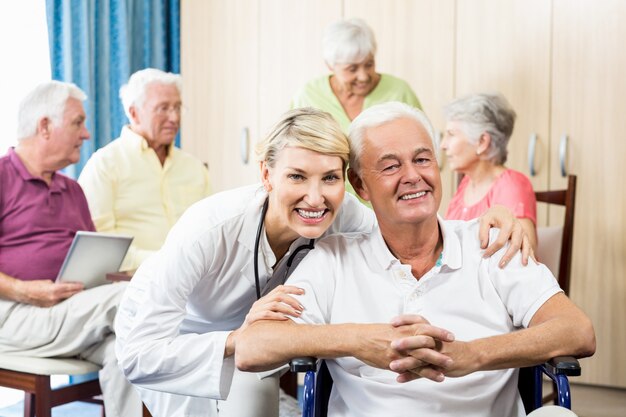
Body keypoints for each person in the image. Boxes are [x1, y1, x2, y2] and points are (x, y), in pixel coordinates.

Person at [114, 107, 527, 417]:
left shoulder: (346, 216)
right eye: (297, 176)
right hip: (181, 336)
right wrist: (239, 337)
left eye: (330, 178)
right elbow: (140, 352)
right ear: (267, 175)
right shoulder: (209, 228)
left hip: (264, 340)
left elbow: (413, 227)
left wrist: (488, 222)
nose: (316, 198)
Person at [235, 102, 595, 417]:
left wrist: (473, 354)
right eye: (390, 167)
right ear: (360, 186)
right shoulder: (333, 258)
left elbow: (577, 330)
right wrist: (357, 340)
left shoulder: (490, 243)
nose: (412, 176)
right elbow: (253, 347)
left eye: (422, 159)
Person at [0, 81, 142, 417]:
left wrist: (116, 275)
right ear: (45, 126)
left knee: (129, 353)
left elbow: (88, 260)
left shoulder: (72, 189)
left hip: (69, 312)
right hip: (13, 313)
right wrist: (23, 290)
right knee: (132, 299)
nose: (87, 134)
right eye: (78, 123)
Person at [78, 68, 211, 271]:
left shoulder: (194, 168)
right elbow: (99, 246)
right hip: (132, 283)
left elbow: (213, 229)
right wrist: (164, 262)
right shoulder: (104, 164)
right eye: (163, 108)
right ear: (134, 113)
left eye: (177, 107)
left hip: (195, 279)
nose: (174, 118)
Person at [442, 92, 538, 251]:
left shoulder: (511, 186)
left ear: (482, 142)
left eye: (451, 134)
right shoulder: (467, 182)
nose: (443, 145)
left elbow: (523, 253)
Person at [291, 18, 421, 133]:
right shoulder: (309, 96)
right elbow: (287, 145)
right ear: (330, 65)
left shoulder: (399, 91)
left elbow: (424, 141)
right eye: (352, 69)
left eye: (369, 64)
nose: (363, 76)